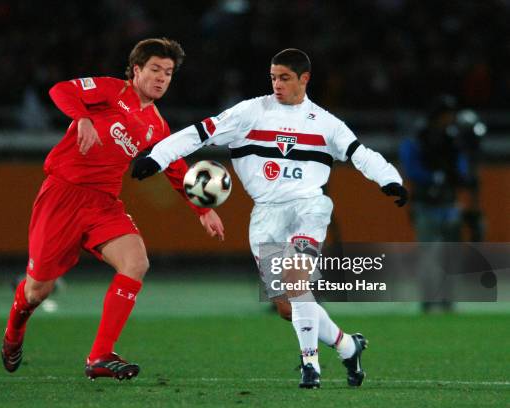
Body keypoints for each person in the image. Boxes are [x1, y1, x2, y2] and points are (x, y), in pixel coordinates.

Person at [132, 49, 408, 388]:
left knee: (296, 282)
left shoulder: (325, 123)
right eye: (273, 77)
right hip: (266, 214)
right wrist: (157, 157)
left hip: (309, 207)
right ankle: (349, 345)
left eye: (285, 78)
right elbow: (198, 133)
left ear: (304, 79)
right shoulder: (250, 112)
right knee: (286, 307)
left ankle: (311, 366)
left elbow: (360, 154)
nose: (277, 84)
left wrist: (390, 179)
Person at [1, 38, 225, 381]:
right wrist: (84, 118)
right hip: (63, 195)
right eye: (155, 69)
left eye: (168, 72)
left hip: (103, 203)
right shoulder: (109, 91)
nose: (162, 78)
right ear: (136, 70)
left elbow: (175, 167)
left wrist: (202, 210)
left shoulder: (156, 125)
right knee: (37, 290)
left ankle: (100, 355)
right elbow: (61, 90)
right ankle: (14, 332)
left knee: (136, 263)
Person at [399, 95, 485, 312]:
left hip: (448, 203)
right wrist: (435, 177)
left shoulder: (451, 138)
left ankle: (446, 299)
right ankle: (429, 299)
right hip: (426, 203)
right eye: (447, 114)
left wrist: (459, 178)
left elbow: (461, 166)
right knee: (429, 254)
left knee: (449, 254)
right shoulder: (421, 137)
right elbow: (410, 166)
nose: (450, 118)